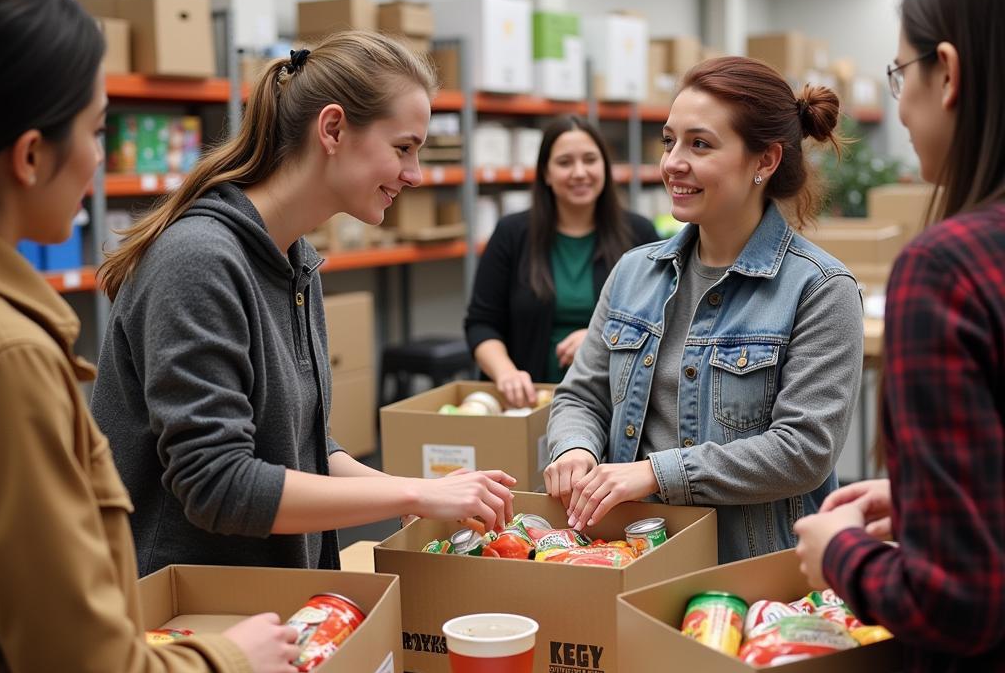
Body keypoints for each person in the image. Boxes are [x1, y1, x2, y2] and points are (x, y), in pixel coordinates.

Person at [0, 0, 301, 673]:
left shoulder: (295, 263)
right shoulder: (8, 361)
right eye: (96, 131)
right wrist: (235, 664)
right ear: (31, 155)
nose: (101, 160)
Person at [91, 31, 514, 579]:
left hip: (269, 609)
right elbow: (217, 484)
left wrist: (418, 493)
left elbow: (302, 447)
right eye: (403, 148)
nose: (414, 174)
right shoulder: (198, 262)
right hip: (182, 623)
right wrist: (412, 492)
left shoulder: (295, 263)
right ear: (333, 129)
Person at [793, 0, 1005, 673]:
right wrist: (918, 494)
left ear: (949, 73)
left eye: (903, 70)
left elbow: (962, 601)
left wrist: (839, 554)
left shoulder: (947, 269)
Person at [544, 57, 864, 564]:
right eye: (669, 141)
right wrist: (574, 449)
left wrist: (656, 473)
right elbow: (582, 395)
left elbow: (803, 450)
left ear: (765, 161)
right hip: (633, 553)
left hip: (751, 567)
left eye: (700, 144)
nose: (673, 162)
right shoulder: (633, 272)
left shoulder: (821, 289)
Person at [464, 115, 658, 406]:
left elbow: (661, 322)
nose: (579, 172)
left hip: (615, 402)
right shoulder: (511, 234)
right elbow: (481, 323)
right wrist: (506, 374)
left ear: (605, 167)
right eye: (565, 162)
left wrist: (600, 340)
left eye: (590, 160)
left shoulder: (638, 234)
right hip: (529, 402)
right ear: (546, 173)